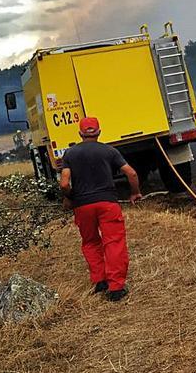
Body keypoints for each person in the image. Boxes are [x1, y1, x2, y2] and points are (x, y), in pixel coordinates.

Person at [60, 117, 141, 301]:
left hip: (83, 206)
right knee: (113, 242)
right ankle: (116, 288)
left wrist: (69, 198)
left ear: (80, 134)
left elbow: (64, 183)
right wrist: (134, 192)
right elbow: (131, 173)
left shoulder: (70, 154)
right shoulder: (109, 151)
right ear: (99, 132)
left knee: (90, 242)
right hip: (108, 204)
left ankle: (100, 281)